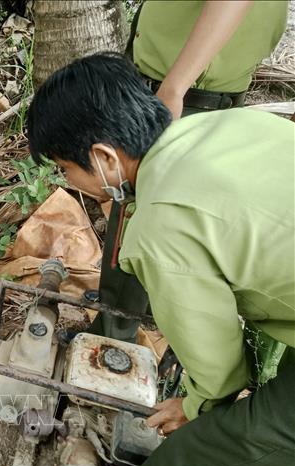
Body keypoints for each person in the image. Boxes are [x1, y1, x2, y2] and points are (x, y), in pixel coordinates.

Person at [27, 53, 294, 466]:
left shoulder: (160, 226)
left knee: (206, 454)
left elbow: (221, 371)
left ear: (104, 157)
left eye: (65, 169)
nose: (69, 181)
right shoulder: (231, 124)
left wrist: (193, 406)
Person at [91, 0, 289, 344]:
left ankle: (112, 340)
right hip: (186, 81)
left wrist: (173, 88)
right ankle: (153, 318)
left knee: (145, 214)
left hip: (182, 91)